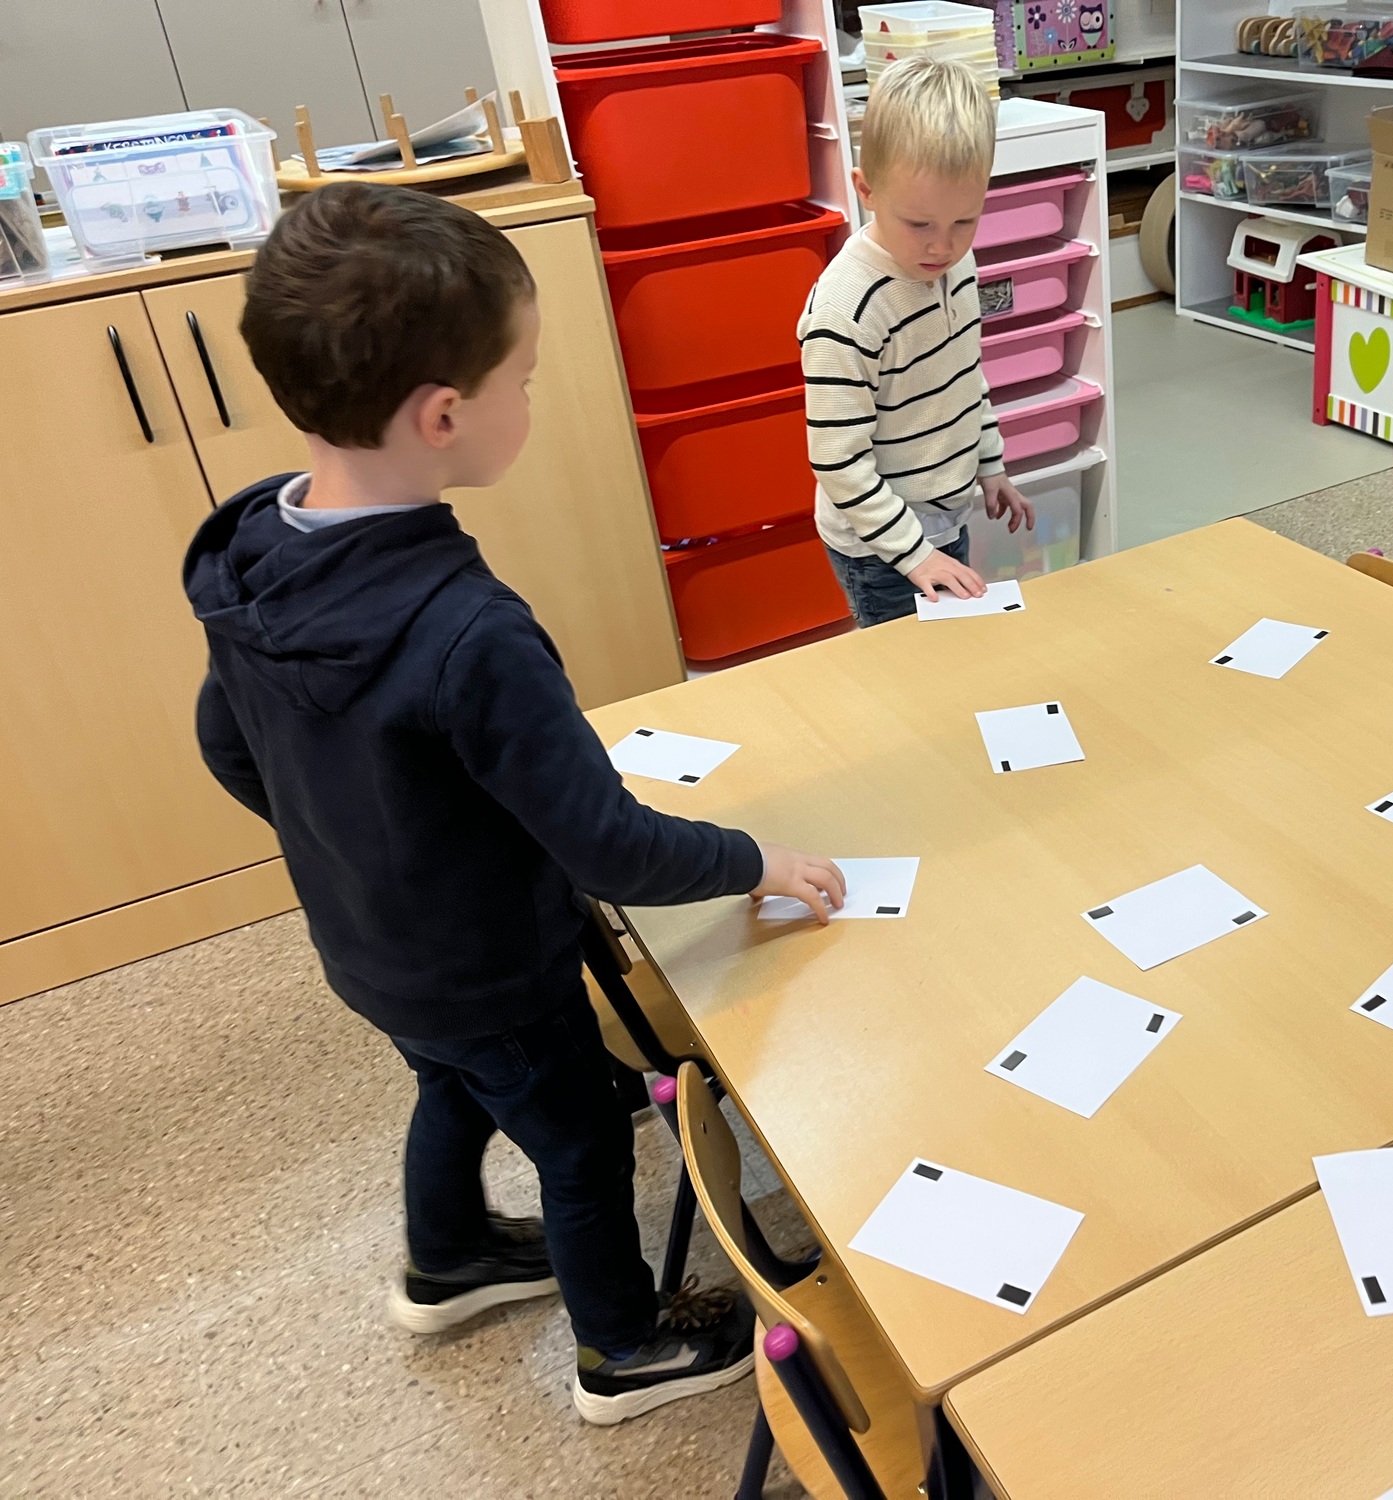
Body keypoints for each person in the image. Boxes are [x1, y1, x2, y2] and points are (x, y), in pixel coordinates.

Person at [182, 183, 846, 1426]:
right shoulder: (470, 634)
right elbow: (609, 847)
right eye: (523, 379)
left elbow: (229, 746)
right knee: (580, 1138)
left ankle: (446, 1259)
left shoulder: (256, 552)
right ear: (444, 415)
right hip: (490, 964)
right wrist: (755, 858)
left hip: (369, 949)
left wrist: (361, 844)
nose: (529, 397)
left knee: (449, 1081)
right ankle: (621, 1351)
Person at [801, 55, 1035, 627]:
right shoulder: (847, 310)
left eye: (964, 222)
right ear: (867, 190)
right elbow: (837, 460)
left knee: (952, 651)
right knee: (908, 668)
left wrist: (990, 465)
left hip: (945, 517)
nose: (942, 247)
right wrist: (914, 553)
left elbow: (964, 376)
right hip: (880, 546)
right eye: (920, 224)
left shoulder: (956, 266)